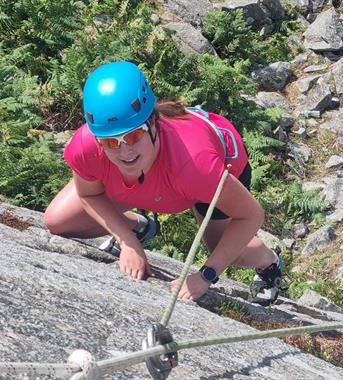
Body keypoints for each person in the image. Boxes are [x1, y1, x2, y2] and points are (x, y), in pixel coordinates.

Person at [44, 61, 282, 302]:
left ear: (154, 123)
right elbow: (88, 195)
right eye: (110, 142)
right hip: (161, 182)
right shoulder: (86, 147)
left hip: (213, 170)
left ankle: (269, 261)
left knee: (227, 249)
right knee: (58, 221)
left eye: (134, 135)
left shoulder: (197, 166)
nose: (125, 151)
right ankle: (140, 227)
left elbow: (251, 216)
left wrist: (206, 275)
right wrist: (126, 241)